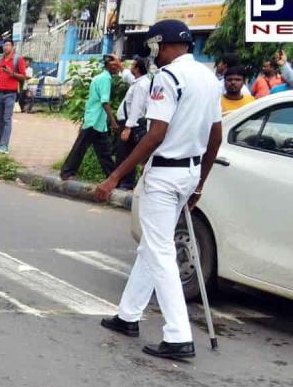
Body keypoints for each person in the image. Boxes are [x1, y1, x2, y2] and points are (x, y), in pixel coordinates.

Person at [94, 19, 222, 360]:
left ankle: (178, 335)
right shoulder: (209, 78)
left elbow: (155, 134)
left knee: (160, 251)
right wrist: (201, 182)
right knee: (152, 246)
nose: (154, 54)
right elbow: (215, 137)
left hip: (165, 175)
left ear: (165, 46)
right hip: (190, 172)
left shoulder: (167, 78)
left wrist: (114, 176)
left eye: (155, 47)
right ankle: (128, 315)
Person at [60, 54, 121, 181]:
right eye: (115, 66)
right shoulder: (105, 79)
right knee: (81, 148)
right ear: (109, 66)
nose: (117, 69)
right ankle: (67, 172)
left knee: (104, 152)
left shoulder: (100, 77)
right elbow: (105, 102)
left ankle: (112, 177)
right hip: (95, 120)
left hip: (97, 121)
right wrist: (113, 122)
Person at [114, 55, 151, 191]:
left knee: (126, 153)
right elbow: (128, 77)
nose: (130, 68)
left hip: (132, 125)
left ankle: (127, 183)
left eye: (133, 65)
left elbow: (137, 107)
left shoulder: (141, 85)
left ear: (137, 68)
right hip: (131, 123)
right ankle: (123, 182)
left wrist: (128, 127)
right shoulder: (139, 82)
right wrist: (119, 66)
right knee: (125, 152)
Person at [0, 39, 27, 154]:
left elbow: (24, 76)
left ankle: (4, 145)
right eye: (4, 45)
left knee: (7, 119)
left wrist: (12, 74)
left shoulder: (17, 59)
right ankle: (1, 143)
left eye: (8, 45)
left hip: (11, 94)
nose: (5, 47)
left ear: (13, 47)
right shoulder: (1, 60)